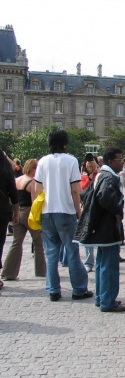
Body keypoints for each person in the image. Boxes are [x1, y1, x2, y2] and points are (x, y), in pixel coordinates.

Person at [34, 129, 90, 302]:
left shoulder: (43, 161)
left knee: (51, 253)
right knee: (72, 252)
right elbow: (75, 189)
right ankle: (79, 289)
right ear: (65, 142)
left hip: (47, 212)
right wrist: (79, 212)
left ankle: (53, 290)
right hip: (66, 211)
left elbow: (38, 190)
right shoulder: (71, 160)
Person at [76, 148, 125, 312]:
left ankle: (101, 297)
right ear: (110, 161)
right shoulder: (109, 177)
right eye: (120, 159)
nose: (122, 162)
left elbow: (85, 195)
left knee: (102, 263)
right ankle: (107, 300)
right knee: (109, 265)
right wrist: (117, 211)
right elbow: (104, 197)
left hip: (100, 227)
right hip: (107, 227)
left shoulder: (100, 175)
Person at [1, 158, 44, 281]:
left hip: (17, 211)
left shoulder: (18, 180)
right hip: (28, 212)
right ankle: (41, 271)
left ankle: (8, 272)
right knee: (38, 242)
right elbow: (35, 203)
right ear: (33, 169)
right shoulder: (32, 182)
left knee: (16, 243)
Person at [79, 153, 99, 272]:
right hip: (86, 208)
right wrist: (90, 176)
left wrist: (96, 170)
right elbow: (83, 189)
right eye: (88, 164)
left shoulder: (100, 175)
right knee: (87, 234)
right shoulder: (83, 177)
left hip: (97, 207)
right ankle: (89, 262)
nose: (90, 166)